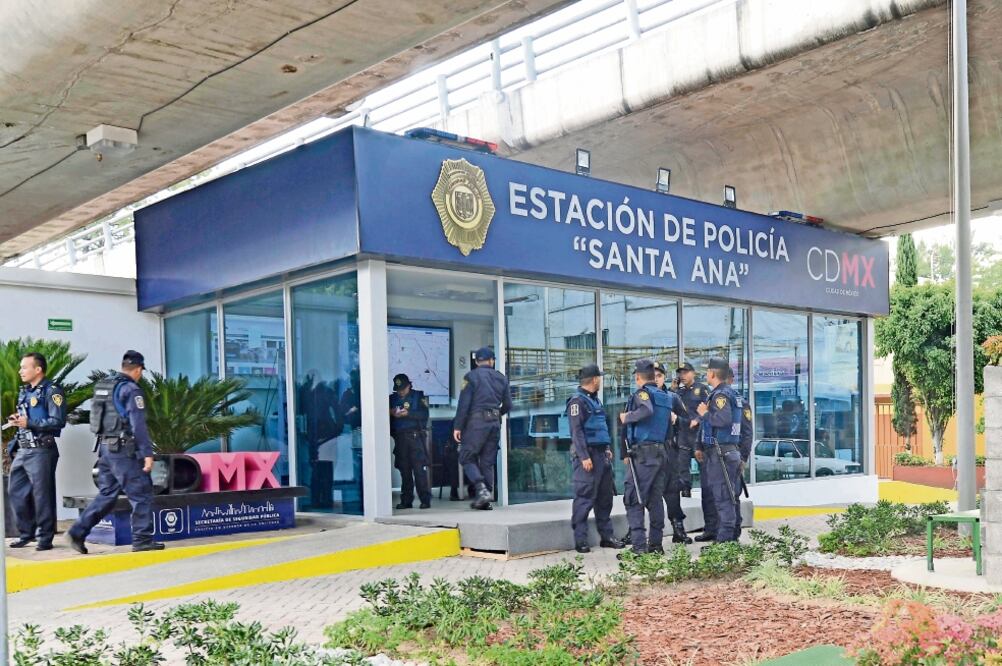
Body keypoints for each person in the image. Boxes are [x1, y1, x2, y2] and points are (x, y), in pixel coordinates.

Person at [67, 350, 164, 553]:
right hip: (123, 450)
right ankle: (142, 540)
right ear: (138, 370)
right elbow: (138, 425)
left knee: (107, 494)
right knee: (142, 494)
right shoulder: (131, 390)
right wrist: (147, 453)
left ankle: (78, 531)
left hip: (105, 448)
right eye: (141, 372)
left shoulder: (105, 386)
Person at [7, 352, 66, 550]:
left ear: (38, 369)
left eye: (24, 367)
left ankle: (45, 538)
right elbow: (28, 415)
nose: (20, 371)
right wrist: (18, 419)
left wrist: (29, 422)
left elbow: (58, 421)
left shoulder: (52, 391)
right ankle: (26, 533)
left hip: (42, 450)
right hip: (23, 449)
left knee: (43, 496)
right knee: (15, 491)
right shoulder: (25, 391)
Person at [567, 364, 625, 553]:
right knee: (584, 498)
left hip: (601, 455)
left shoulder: (595, 401)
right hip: (588, 456)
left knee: (604, 498)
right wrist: (584, 456)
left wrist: (607, 448)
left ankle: (607, 536)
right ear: (594, 380)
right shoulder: (577, 402)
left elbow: (600, 427)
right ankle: (580, 540)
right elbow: (577, 432)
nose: (601, 380)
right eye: (599, 377)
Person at [618, 359, 671, 555]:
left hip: (643, 454)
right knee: (655, 499)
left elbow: (646, 410)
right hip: (660, 451)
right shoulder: (664, 396)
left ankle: (639, 547)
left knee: (633, 498)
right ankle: (656, 545)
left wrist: (627, 417)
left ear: (638, 377)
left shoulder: (643, 394)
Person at [453, 347, 512, 510]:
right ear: (492, 361)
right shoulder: (502, 378)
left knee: (466, 456)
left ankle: (481, 489)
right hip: (494, 423)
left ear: (477, 362)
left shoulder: (471, 377)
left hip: (476, 424)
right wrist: (496, 413)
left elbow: (464, 404)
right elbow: (508, 405)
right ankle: (486, 498)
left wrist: (458, 426)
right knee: (487, 462)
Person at [695, 358, 742, 544]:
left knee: (723, 498)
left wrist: (705, 414)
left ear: (713, 374)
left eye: (707, 372)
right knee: (727, 496)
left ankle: (724, 542)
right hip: (728, 450)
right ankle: (728, 539)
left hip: (720, 452)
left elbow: (723, 420)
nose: (706, 375)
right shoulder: (731, 393)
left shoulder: (720, 395)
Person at [675, 362, 714, 542]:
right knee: (682, 475)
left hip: (699, 438)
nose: (682, 376)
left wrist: (698, 419)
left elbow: (709, 409)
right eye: (680, 373)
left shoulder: (702, 389)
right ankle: (686, 502)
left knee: (706, 475)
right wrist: (673, 388)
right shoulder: (679, 392)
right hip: (683, 437)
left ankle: (711, 522)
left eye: (685, 372)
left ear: (693, 373)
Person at [653, 361, 692, 545]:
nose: (656, 379)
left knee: (672, 491)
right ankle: (634, 531)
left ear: (664, 378)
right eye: (652, 375)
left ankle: (678, 529)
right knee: (645, 492)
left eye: (659, 375)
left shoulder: (672, 398)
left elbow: (688, 421)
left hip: (669, 450)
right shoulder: (642, 397)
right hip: (648, 452)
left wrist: (677, 420)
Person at [389, 373, 432, 510]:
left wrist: (409, 414)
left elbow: (424, 415)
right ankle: (406, 500)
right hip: (400, 438)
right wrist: (391, 412)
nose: (401, 392)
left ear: (409, 386)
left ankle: (425, 499)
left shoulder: (419, 397)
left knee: (419, 470)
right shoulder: (391, 399)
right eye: (398, 390)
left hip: (415, 438)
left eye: (403, 389)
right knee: (404, 470)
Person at [727, 367, 753, 538]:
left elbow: (747, 433)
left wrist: (743, 457)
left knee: (732, 494)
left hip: (734, 455)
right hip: (722, 455)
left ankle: (734, 531)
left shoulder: (740, 403)